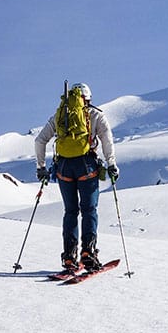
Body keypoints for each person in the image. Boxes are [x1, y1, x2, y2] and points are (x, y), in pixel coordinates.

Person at [34, 82, 119, 271]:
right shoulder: (95, 115)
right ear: (87, 99)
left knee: (70, 212)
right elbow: (107, 140)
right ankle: (88, 252)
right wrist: (111, 163)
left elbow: (40, 140)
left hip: (63, 168)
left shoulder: (59, 116)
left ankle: (69, 258)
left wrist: (41, 167)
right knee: (89, 210)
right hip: (86, 167)